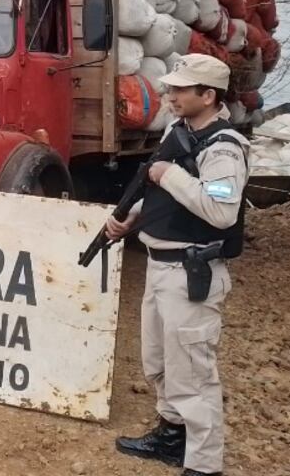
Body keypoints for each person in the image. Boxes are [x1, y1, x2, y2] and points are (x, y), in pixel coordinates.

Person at [106, 54, 250, 476]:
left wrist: (169, 175)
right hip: (159, 264)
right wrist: (132, 218)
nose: (170, 95)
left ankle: (204, 465)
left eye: (180, 90)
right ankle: (172, 437)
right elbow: (164, 197)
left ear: (208, 96)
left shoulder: (224, 148)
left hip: (191, 274)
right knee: (158, 361)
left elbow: (221, 212)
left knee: (193, 373)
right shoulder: (180, 129)